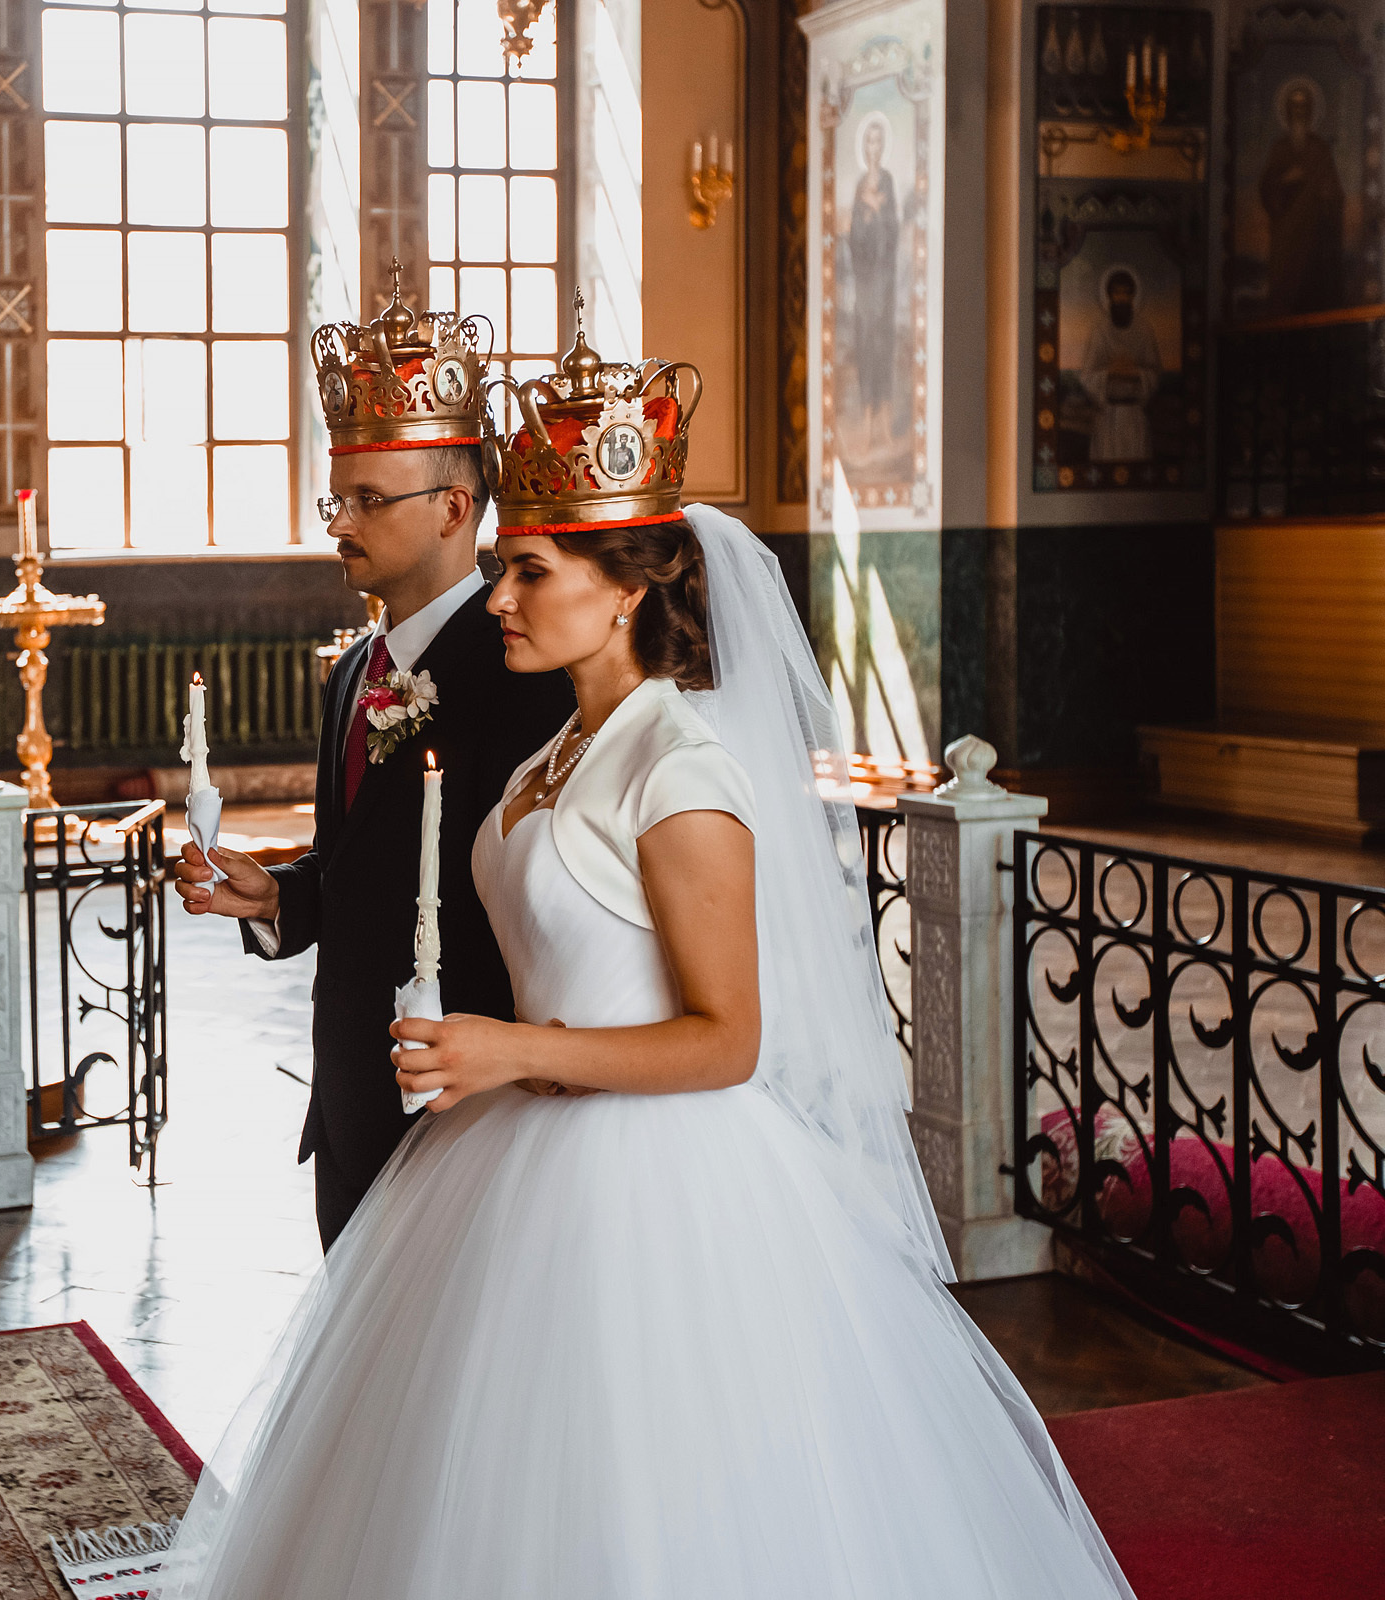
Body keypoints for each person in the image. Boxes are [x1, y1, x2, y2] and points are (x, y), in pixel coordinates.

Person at [150, 330, 1135, 1599]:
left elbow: (731, 1036)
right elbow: (417, 890)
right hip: (493, 1146)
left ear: (623, 588)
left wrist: (510, 1048)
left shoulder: (682, 768)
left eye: (527, 569)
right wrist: (302, 913)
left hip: (652, 1181)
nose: (500, 597)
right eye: (503, 570)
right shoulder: (553, 753)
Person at [173, 274, 572, 1248]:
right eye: (334, 496)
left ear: (452, 507)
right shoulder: (355, 669)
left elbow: (539, 902)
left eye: (364, 499)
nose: (337, 522)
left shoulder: (526, 671)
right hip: (352, 1096)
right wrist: (277, 899)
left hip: (465, 1104)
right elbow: (363, 868)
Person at [1258, 80, 1345, 316]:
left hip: (1312, 233)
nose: (1299, 111)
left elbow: (1336, 193)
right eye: (1294, 106)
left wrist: (1328, 196)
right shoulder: (1280, 148)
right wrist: (1286, 180)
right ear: (1287, 111)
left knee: (1311, 289)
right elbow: (1266, 189)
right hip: (1285, 233)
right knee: (1284, 288)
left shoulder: (1320, 149)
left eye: (1304, 106)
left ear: (1311, 111)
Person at [846, 115, 900, 457]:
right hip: (866, 286)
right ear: (864, 147)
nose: (874, 148)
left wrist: (880, 213)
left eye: (879, 141)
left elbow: (893, 233)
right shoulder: (859, 189)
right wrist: (866, 214)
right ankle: (867, 424)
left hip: (885, 284)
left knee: (884, 348)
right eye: (870, 141)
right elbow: (854, 240)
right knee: (866, 348)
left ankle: (883, 424)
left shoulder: (889, 184)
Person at [1080, 267, 1162, 463]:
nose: (1122, 298)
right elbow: (1087, 376)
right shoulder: (1099, 332)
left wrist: (1135, 373)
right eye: (1117, 292)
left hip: (1135, 417)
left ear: (1133, 296)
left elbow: (1155, 373)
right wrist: (1110, 372)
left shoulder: (1144, 331)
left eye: (1126, 293)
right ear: (1109, 296)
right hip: (1108, 417)